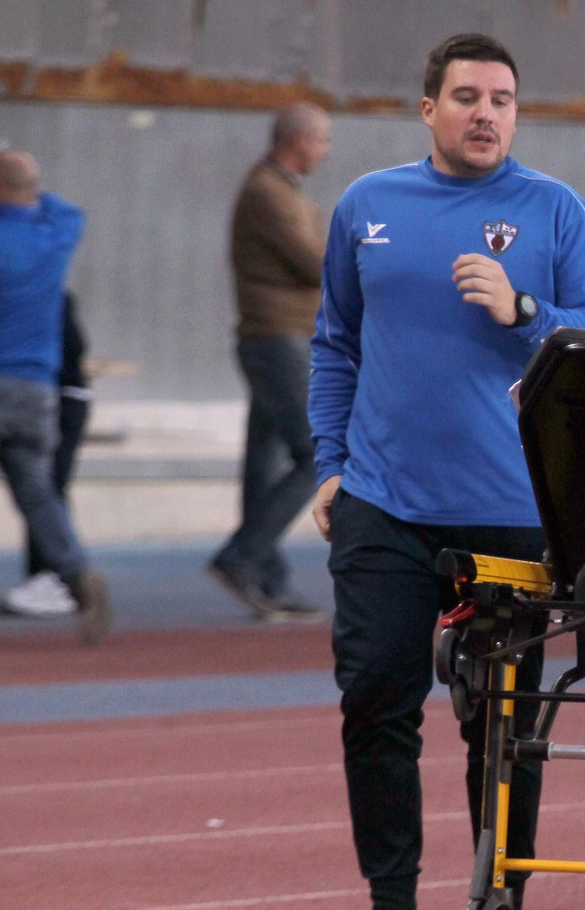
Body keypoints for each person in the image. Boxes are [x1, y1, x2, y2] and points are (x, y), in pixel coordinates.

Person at [308, 32, 585, 910]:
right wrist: (328, 463)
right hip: (384, 503)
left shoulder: (555, 210)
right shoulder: (368, 206)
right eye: (468, 96)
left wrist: (525, 309)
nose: (488, 113)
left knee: (504, 724)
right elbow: (334, 345)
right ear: (428, 108)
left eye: (504, 99)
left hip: (511, 513)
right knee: (375, 703)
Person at [210, 103, 332, 622]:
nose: (325, 153)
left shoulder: (280, 189)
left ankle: (266, 576)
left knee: (264, 461)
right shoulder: (268, 192)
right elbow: (315, 263)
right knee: (313, 455)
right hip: (276, 338)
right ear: (300, 140)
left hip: (278, 336)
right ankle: (242, 557)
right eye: (322, 142)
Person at [0, 150, 110, 644]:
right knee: (39, 494)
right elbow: (65, 207)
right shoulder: (57, 232)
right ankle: (78, 575)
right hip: (37, 390)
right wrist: (25, 187)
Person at [2, 292, 91, 617]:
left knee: (44, 487)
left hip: (54, 395)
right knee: (40, 490)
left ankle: (55, 575)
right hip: (51, 392)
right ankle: (65, 572)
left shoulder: (39, 296)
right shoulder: (42, 289)